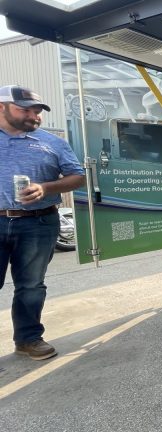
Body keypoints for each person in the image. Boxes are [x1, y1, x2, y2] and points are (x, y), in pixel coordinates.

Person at [0, 85, 86, 360]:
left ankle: (28, 339)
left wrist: (46, 187)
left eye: (37, 111)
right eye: (25, 110)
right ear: (2, 107)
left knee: (31, 285)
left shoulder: (52, 142)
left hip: (38, 222)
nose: (34, 116)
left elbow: (77, 176)